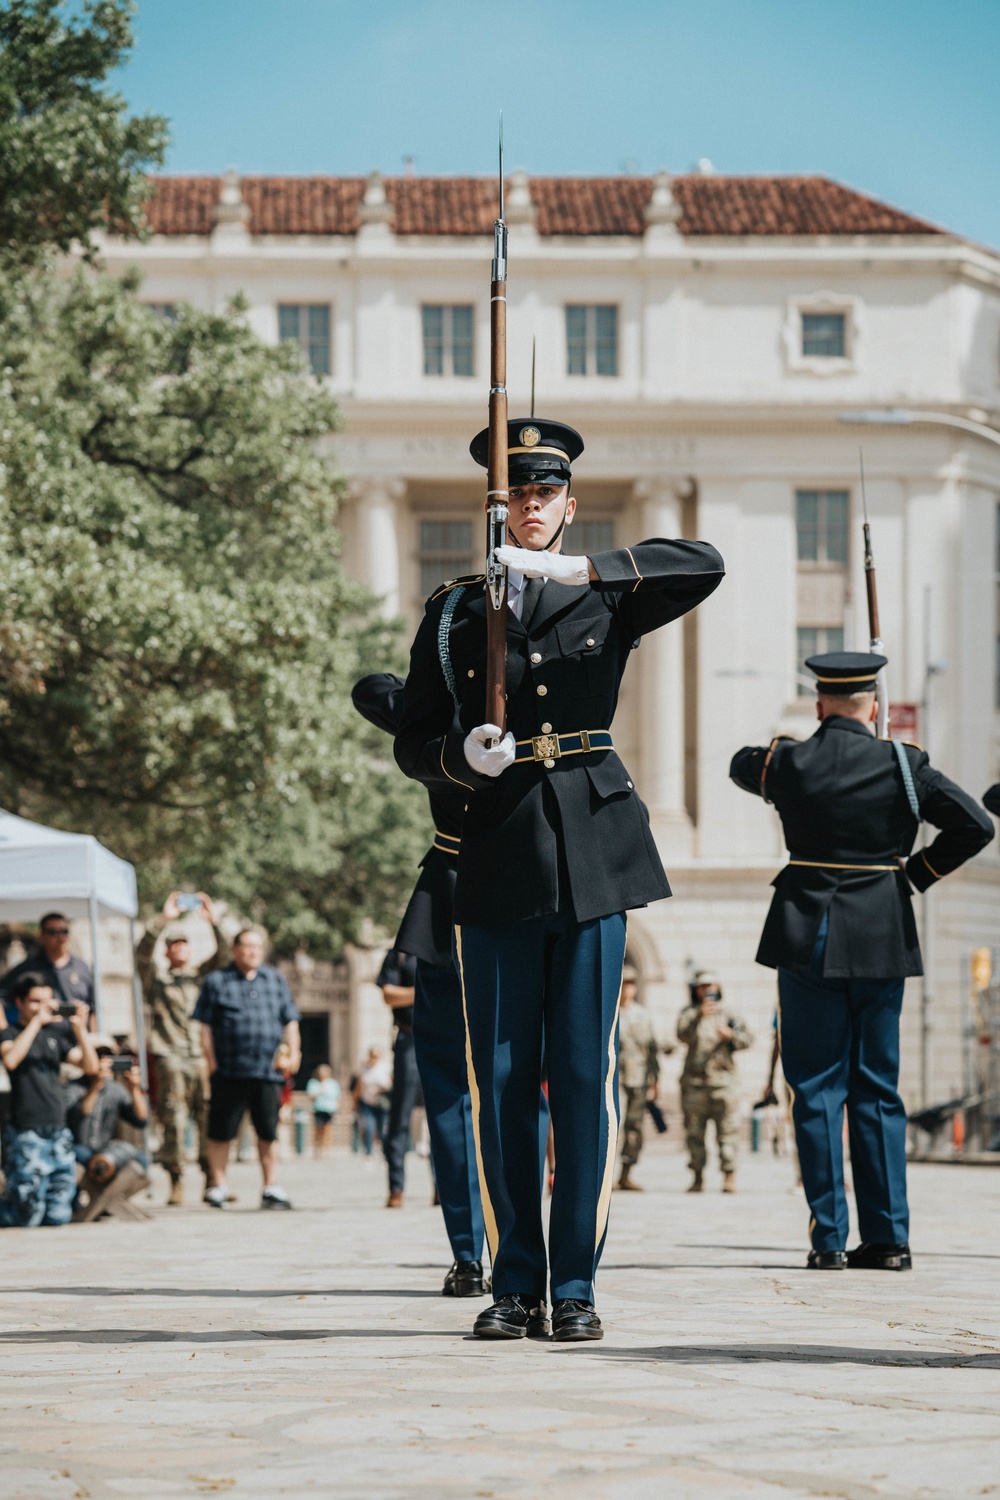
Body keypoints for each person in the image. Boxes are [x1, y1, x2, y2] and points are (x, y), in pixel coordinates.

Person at [395, 414, 725, 1341]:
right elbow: (411, 739)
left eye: (547, 495)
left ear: (569, 509)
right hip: (496, 848)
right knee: (502, 1078)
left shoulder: (604, 594)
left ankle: (574, 1286)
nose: (531, 507)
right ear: (495, 507)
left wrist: (579, 571)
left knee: (583, 1077)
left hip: (593, 850)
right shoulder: (456, 609)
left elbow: (703, 562)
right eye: (517, 495)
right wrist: (460, 757)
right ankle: (514, 1284)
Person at [731, 651, 993, 1270]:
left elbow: (744, 766)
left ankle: (828, 1239)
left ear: (820, 705)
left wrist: (789, 745)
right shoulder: (906, 765)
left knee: (816, 1088)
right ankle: (888, 1239)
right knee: (876, 1089)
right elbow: (976, 825)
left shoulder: (788, 762)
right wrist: (914, 875)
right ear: (873, 708)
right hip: (880, 929)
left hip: (807, 933)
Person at [353, 672, 550, 1298]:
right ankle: (516, 1248)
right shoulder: (552, 706)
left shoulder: (445, 716)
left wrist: (447, 684)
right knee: (517, 1084)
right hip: (526, 890)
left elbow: (374, 691)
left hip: (456, 890)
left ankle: (471, 1254)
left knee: (453, 1096)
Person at [194, 928, 301, 1211]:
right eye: (248, 946)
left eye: (258, 947)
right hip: (228, 1070)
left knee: (268, 1132)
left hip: (267, 1071)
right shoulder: (217, 981)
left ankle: (271, 1187)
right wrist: (212, 1064)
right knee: (221, 1132)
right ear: (235, 949)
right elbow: (205, 1026)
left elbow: (290, 1019)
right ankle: (218, 1186)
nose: (253, 952)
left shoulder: (274, 979)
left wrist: (295, 1051)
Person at [136, 891, 227, 1205]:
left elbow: (225, 957)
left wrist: (213, 923)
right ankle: (175, 1179)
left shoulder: (203, 980)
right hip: (171, 1055)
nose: (181, 949)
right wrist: (164, 920)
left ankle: (210, 1178)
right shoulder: (158, 982)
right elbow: (141, 956)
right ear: (167, 952)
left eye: (184, 944)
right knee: (173, 1120)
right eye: (174, 945)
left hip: (201, 1056)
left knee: (207, 1118)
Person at [0, 974, 99, 1226]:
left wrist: (80, 1029)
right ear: (19, 1002)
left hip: (57, 1130)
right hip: (26, 1132)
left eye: (47, 1001)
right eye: (35, 1001)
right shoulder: (10, 1033)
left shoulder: (55, 1037)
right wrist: (35, 1023)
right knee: (26, 1216)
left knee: (58, 1214)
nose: (43, 1007)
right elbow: (11, 1060)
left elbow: (91, 1066)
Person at [676, 970, 752, 1193]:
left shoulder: (729, 1014)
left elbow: (748, 1040)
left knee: (727, 1132)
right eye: (702, 986)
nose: (707, 990)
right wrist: (699, 1016)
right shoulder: (689, 1014)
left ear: (718, 987)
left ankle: (729, 1176)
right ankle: (697, 1176)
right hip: (695, 1084)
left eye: (711, 985)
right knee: (694, 1134)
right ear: (696, 989)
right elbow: (681, 1035)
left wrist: (731, 1036)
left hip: (724, 1084)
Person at [376, 948, 423, 1209]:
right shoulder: (400, 953)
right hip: (409, 1040)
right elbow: (389, 994)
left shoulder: (451, 942)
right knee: (400, 1118)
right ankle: (396, 1187)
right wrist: (426, 990)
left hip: (446, 1039)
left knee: (445, 1117)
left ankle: (443, 1188)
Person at [1, 913, 95, 1028]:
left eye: (64, 932)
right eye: (53, 932)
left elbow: (93, 1008)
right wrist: (4, 1031)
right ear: (42, 935)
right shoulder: (28, 968)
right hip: (40, 1040)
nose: (60, 938)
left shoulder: (81, 967)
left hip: (76, 1038)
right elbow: (2, 996)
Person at [615, 965, 660, 1192]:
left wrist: (655, 1081)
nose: (628, 988)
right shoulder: (611, 1013)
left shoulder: (644, 1015)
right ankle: (606, 1178)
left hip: (639, 1080)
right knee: (615, 1126)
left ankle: (625, 1174)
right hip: (616, 1080)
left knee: (634, 1129)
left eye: (632, 983)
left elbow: (652, 1050)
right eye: (625, 982)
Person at [353, 1047, 392, 1158]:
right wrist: (354, 1103)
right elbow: (358, 1086)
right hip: (367, 1102)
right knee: (369, 1127)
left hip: (382, 1103)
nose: (374, 1058)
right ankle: (369, 1152)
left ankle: (385, 1152)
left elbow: (389, 1084)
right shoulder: (364, 1068)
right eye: (372, 1055)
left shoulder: (385, 1067)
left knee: (382, 1128)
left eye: (376, 1056)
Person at [306, 1065, 341, 1157]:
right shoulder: (313, 1083)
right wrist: (320, 1090)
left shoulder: (333, 1084)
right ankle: (317, 1147)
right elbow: (310, 1096)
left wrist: (338, 1107)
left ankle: (326, 1149)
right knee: (318, 1129)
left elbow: (337, 1096)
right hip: (319, 1108)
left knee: (327, 1130)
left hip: (329, 1108)